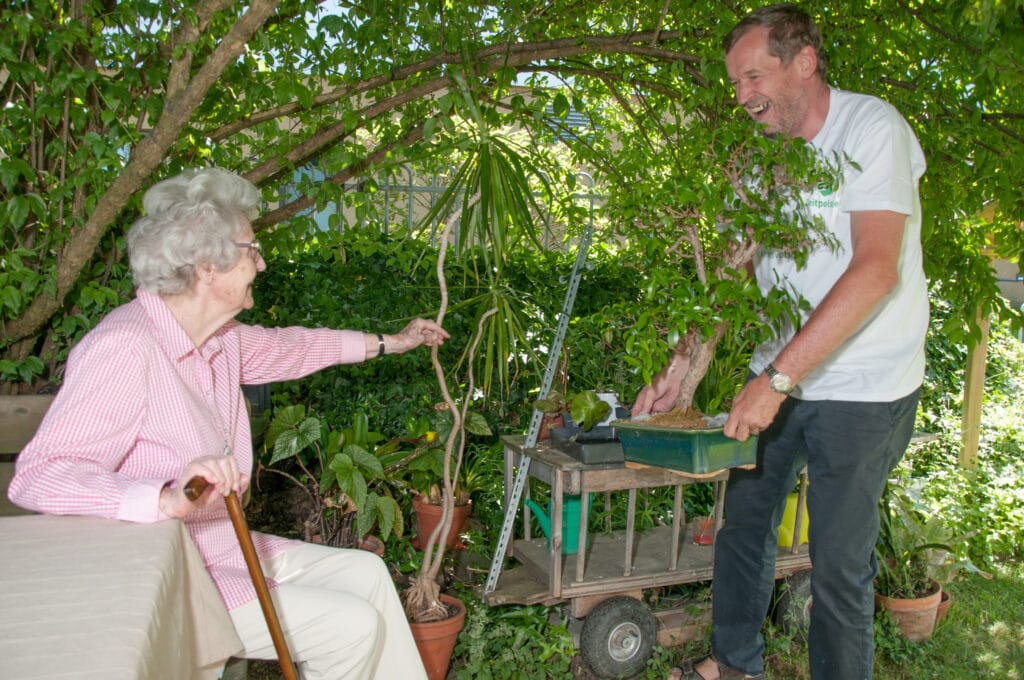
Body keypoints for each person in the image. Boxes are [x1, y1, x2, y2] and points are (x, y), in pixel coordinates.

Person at [8, 167, 449, 679]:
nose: (260, 264)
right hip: (176, 577)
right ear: (207, 266)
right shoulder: (126, 348)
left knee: (369, 573)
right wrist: (165, 498)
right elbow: (39, 475)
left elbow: (292, 346)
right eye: (251, 250)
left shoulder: (218, 340)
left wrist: (391, 342)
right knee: (348, 626)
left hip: (222, 545)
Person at [634, 5, 928, 680]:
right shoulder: (755, 157)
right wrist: (683, 368)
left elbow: (877, 269)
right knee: (744, 525)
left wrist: (776, 382)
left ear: (804, 62)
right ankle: (736, 664)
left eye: (753, 76)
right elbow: (735, 270)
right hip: (782, 373)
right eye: (734, 83)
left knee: (839, 564)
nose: (742, 95)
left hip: (864, 386)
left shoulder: (870, 128)